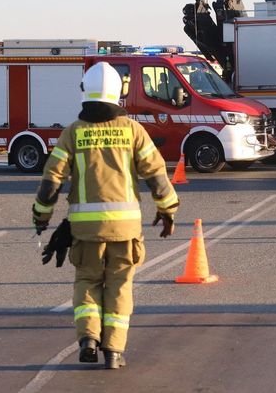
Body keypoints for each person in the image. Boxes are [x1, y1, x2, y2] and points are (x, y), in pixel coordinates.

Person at [31, 62, 179, 369]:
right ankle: (113, 351)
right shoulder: (133, 131)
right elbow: (156, 174)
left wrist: (41, 217)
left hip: (85, 231)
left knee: (86, 281)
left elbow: (51, 181)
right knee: (119, 287)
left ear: (85, 92)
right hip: (125, 230)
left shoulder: (72, 133)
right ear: (119, 93)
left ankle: (88, 339)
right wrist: (167, 210)